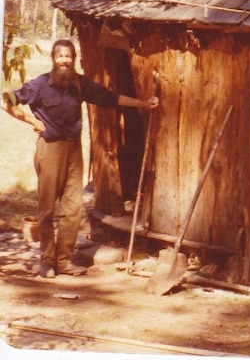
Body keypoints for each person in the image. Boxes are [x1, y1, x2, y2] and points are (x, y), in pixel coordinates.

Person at [2, 39, 159, 278]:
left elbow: (111, 98)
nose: (65, 60)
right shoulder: (40, 85)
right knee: (46, 209)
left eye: (69, 56)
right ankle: (47, 261)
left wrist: (144, 104)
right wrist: (32, 121)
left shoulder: (79, 84)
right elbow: (6, 101)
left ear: (73, 59)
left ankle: (64, 259)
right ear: (53, 59)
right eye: (60, 56)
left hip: (74, 150)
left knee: (73, 208)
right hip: (50, 149)